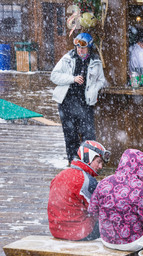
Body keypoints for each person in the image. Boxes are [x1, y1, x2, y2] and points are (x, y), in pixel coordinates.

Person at [88, 149, 143, 252]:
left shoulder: (104, 182)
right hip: (133, 242)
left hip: (106, 240)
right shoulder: (141, 188)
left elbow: (92, 210)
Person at [51, 33, 106, 163]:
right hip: (67, 101)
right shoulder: (67, 58)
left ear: (89, 48)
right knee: (70, 134)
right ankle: (73, 161)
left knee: (88, 134)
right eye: (77, 47)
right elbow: (54, 76)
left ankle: (88, 161)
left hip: (85, 102)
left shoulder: (95, 61)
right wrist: (72, 79)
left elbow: (101, 80)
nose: (80, 50)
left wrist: (94, 89)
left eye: (83, 47)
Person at [47, 140, 110, 241]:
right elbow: (99, 210)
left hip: (56, 230)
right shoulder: (87, 181)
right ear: (88, 158)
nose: (100, 167)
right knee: (112, 221)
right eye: (98, 162)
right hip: (78, 232)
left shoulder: (61, 174)